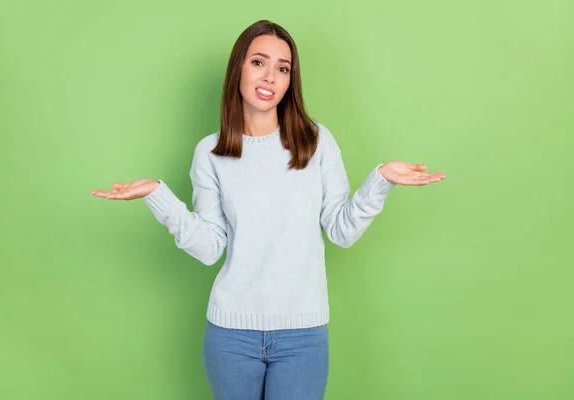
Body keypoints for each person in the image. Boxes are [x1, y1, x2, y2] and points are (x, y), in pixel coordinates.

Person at [91, 19, 445, 400]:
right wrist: (158, 195)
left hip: (303, 336)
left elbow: (342, 231)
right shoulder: (210, 153)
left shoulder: (316, 142)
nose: (270, 77)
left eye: (282, 68)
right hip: (230, 337)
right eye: (259, 62)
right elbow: (209, 247)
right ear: (238, 68)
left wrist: (380, 180)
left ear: (290, 80)